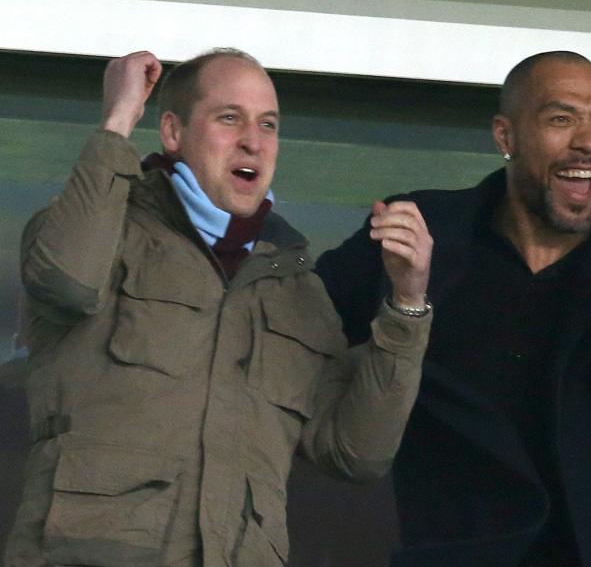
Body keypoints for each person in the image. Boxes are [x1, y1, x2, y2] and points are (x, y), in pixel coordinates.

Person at [7, 49, 433, 567]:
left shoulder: (295, 287)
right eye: (229, 118)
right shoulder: (101, 228)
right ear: (172, 132)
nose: (253, 140)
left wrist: (407, 302)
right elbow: (65, 282)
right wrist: (117, 122)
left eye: (268, 124)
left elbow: (357, 452)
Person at [314, 50, 591, 566]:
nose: (588, 140)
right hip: (456, 551)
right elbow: (295, 328)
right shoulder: (426, 231)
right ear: (505, 136)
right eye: (562, 119)